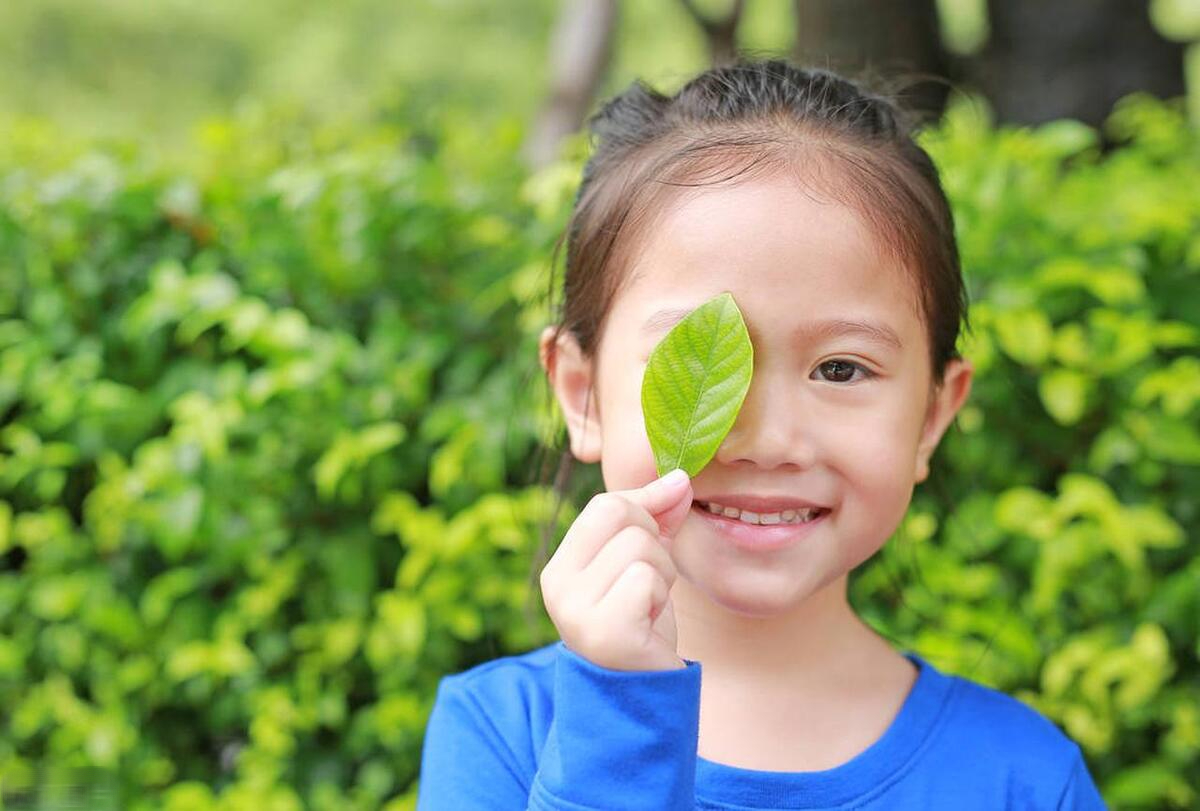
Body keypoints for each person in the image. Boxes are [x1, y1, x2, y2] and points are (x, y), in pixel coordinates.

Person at [416, 58, 1108, 810]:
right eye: (703, 361)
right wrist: (620, 718)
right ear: (584, 394)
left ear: (933, 415)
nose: (770, 440)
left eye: (841, 369)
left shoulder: (1025, 777)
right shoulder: (499, 734)